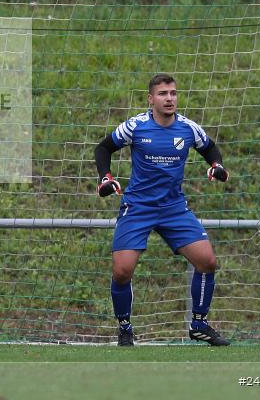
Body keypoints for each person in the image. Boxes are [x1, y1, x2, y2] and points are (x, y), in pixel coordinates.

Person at [94, 73, 231, 347]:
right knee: (122, 271)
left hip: (173, 208)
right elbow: (103, 148)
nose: (169, 99)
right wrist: (105, 178)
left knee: (207, 262)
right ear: (150, 99)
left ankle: (199, 324)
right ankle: (125, 327)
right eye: (163, 94)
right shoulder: (135, 126)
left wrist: (216, 166)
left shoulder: (188, 128)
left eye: (173, 93)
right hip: (138, 206)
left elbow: (211, 149)